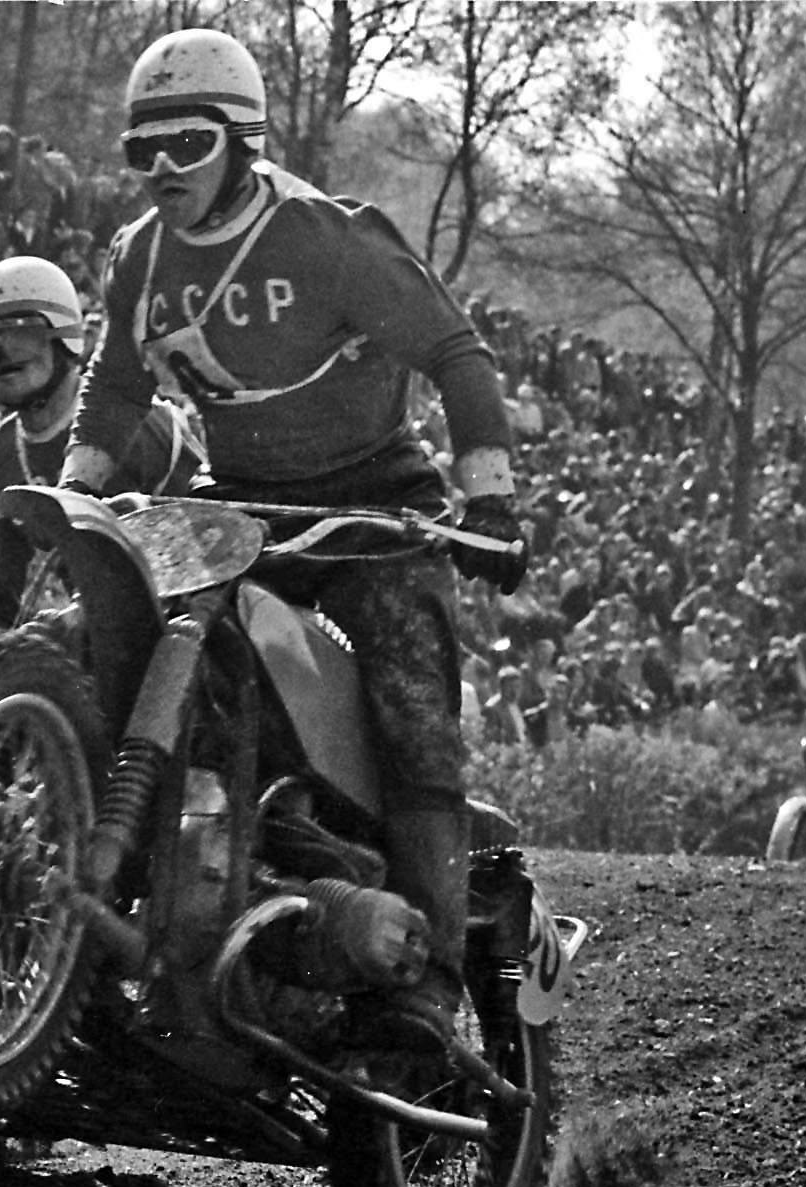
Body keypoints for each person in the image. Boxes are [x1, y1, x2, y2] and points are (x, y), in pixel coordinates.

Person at [62, 29, 526, 1053]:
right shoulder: (138, 258)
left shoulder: (325, 236)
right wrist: (75, 498)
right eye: (144, 150)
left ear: (241, 139)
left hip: (373, 508)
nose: (164, 171)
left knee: (414, 713)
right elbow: (112, 388)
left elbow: (453, 349)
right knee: (99, 633)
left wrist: (487, 499)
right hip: (240, 506)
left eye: (187, 143)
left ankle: (431, 987)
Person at [0, 255, 199, 633]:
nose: (2, 359)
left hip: (194, 610)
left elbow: (200, 547)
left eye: (19, 339)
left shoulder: (141, 422)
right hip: (96, 633)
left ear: (64, 336)